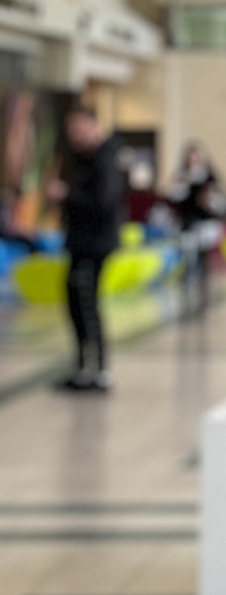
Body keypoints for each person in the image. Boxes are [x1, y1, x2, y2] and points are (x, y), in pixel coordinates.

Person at [46, 104, 123, 392]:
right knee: (75, 303)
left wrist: (67, 194)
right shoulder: (82, 159)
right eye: (71, 130)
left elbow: (103, 204)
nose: (74, 135)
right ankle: (82, 367)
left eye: (79, 128)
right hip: (79, 242)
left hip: (95, 244)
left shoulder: (104, 159)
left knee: (88, 306)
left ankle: (100, 370)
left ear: (93, 126)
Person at [170, 142, 226, 315]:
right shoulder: (182, 176)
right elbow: (174, 197)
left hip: (206, 223)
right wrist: (182, 185)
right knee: (188, 259)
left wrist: (210, 199)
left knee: (203, 260)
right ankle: (187, 296)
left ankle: (203, 297)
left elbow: (221, 203)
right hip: (188, 223)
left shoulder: (210, 177)